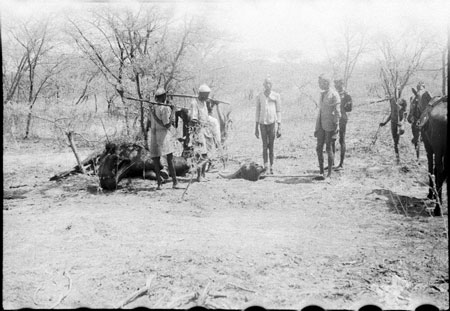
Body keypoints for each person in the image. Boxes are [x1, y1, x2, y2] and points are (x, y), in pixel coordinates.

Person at [148, 88, 178, 190]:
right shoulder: (165, 108)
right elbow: (166, 125)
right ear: (164, 97)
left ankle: (159, 184)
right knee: (170, 159)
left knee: (156, 159)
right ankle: (175, 183)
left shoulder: (152, 108)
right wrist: (173, 111)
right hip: (164, 135)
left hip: (154, 135)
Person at [314, 74, 341, 178]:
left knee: (328, 148)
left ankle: (329, 173)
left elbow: (337, 113)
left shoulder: (334, 94)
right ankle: (321, 171)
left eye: (320, 83)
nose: (319, 85)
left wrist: (336, 126)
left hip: (330, 125)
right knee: (318, 148)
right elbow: (320, 111)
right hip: (321, 124)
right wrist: (317, 126)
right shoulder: (322, 94)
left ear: (326, 82)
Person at [254, 76, 281, 174]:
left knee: (272, 146)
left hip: (272, 123)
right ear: (264, 85)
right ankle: (266, 166)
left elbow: (278, 111)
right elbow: (257, 111)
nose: (268, 85)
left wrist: (279, 126)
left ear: (272, 84)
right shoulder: (259, 96)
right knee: (265, 146)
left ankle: (272, 166)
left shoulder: (276, 96)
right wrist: (256, 127)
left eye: (269, 83)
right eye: (266, 83)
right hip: (262, 124)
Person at [190, 84, 214, 182]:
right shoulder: (194, 103)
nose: (208, 96)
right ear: (201, 94)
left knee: (206, 154)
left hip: (206, 130)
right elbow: (194, 119)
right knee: (200, 154)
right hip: (198, 131)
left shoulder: (204, 102)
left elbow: (206, 116)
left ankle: (203, 174)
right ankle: (199, 176)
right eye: (206, 94)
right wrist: (198, 129)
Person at [332, 78, 352, 170]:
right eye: (335, 84)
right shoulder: (333, 94)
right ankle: (331, 162)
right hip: (333, 118)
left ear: (342, 84)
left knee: (341, 140)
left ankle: (341, 163)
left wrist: (345, 106)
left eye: (338, 84)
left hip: (342, 119)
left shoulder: (347, 95)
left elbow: (350, 109)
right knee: (332, 139)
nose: (336, 86)